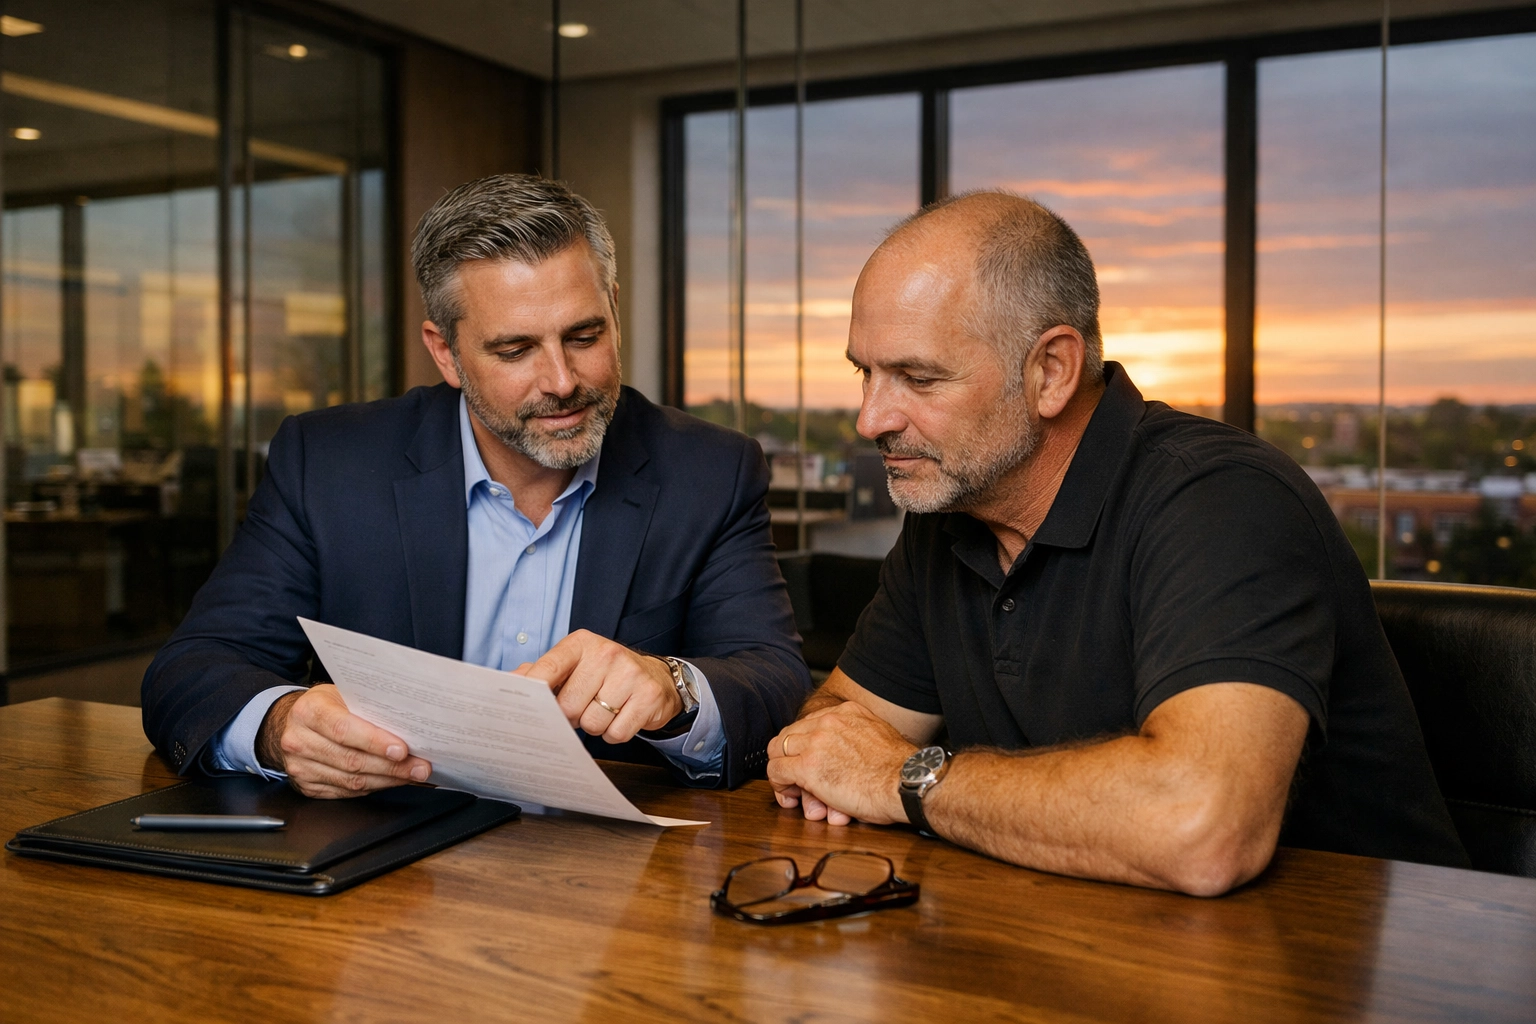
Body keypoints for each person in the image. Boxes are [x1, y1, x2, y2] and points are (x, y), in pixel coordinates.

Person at [766, 190, 1468, 895]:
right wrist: (847, 759)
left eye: (918, 378)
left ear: (1051, 372)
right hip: (1082, 949)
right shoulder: (949, 509)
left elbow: (1200, 828)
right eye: (866, 372)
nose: (869, 418)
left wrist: (902, 778)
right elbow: (835, 734)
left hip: (1374, 980)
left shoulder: (1223, 498)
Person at [142, 174, 810, 797]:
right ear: (446, 353)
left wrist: (676, 688)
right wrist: (279, 724)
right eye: (515, 350)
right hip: (385, 869)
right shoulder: (330, 463)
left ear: (613, 309)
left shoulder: (710, 471)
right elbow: (194, 668)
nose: (561, 380)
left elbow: (774, 681)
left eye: (584, 335)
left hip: (609, 870)